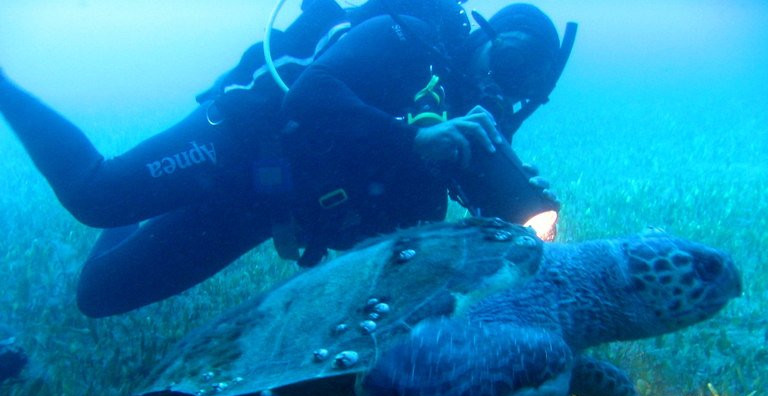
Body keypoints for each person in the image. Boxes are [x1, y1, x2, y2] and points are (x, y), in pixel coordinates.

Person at [0, 0, 573, 318]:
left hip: (266, 207)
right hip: (242, 143)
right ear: (487, 33)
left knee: (99, 294)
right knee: (96, 196)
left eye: (525, 81)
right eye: (511, 56)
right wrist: (409, 138)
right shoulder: (405, 34)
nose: (505, 82)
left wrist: (504, 212)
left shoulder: (462, 119)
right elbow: (311, 94)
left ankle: (147, 208)